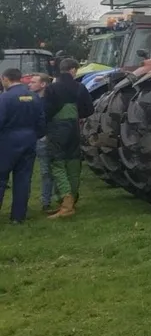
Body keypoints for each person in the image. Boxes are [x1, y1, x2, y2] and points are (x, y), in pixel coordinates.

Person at [42, 58, 93, 219]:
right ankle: (72, 199)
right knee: (73, 163)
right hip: (74, 129)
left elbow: (46, 110)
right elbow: (88, 110)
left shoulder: (52, 88)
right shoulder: (80, 87)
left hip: (57, 129)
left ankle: (66, 202)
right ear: (73, 70)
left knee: (57, 164)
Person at [0, 67, 47, 224]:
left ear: (5, 79)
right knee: (23, 180)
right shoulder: (34, 97)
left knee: (1, 179)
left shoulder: (5, 98)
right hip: (29, 141)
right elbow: (41, 121)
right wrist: (35, 136)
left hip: (7, 142)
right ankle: (18, 217)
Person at [28, 73, 54, 212]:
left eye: (33, 82)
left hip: (43, 138)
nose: (29, 84)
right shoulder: (30, 99)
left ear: (43, 84)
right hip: (31, 138)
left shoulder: (49, 102)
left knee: (46, 171)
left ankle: (46, 200)